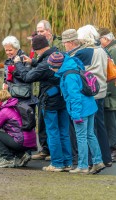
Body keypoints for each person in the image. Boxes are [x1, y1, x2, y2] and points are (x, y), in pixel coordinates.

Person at [13, 35, 72, 172]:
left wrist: (18, 64)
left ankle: (57, 163)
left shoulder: (45, 63)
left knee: (52, 131)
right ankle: (67, 162)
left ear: (37, 48)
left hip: (49, 100)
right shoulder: (59, 55)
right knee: (64, 131)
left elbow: (28, 77)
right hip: (63, 97)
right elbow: (43, 67)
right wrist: (33, 62)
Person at [49, 52, 105, 174]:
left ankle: (83, 165)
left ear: (57, 66)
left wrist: (76, 115)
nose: (50, 69)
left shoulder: (68, 77)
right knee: (90, 135)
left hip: (81, 110)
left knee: (81, 137)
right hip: (90, 106)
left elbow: (75, 97)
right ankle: (98, 161)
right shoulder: (74, 66)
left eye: (51, 66)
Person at [75, 25, 112, 167]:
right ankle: (106, 157)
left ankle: (92, 160)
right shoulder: (102, 50)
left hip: (90, 93)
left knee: (89, 129)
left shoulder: (84, 52)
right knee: (100, 125)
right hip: (101, 89)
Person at [0, 90, 36, 168]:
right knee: (9, 136)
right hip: (30, 141)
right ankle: (22, 155)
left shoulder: (5, 111)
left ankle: (8, 159)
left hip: (21, 141)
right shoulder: (14, 106)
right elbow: (0, 119)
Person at [32, 20, 64, 161]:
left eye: (41, 31)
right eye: (38, 31)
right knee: (42, 122)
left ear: (49, 31)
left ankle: (56, 154)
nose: (39, 33)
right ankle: (44, 148)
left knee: (55, 125)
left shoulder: (59, 45)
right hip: (40, 89)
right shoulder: (37, 43)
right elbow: (38, 64)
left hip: (53, 90)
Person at [1, 35, 38, 105]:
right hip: (11, 97)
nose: (8, 52)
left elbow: (27, 77)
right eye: (6, 50)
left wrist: (13, 71)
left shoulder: (25, 59)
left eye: (10, 50)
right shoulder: (8, 61)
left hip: (24, 98)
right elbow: (6, 76)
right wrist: (5, 82)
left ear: (17, 48)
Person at [98, 28, 116, 162]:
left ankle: (112, 148)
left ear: (105, 39)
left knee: (111, 122)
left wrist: (107, 92)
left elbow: (112, 73)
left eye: (100, 40)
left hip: (112, 94)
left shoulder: (112, 51)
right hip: (112, 92)